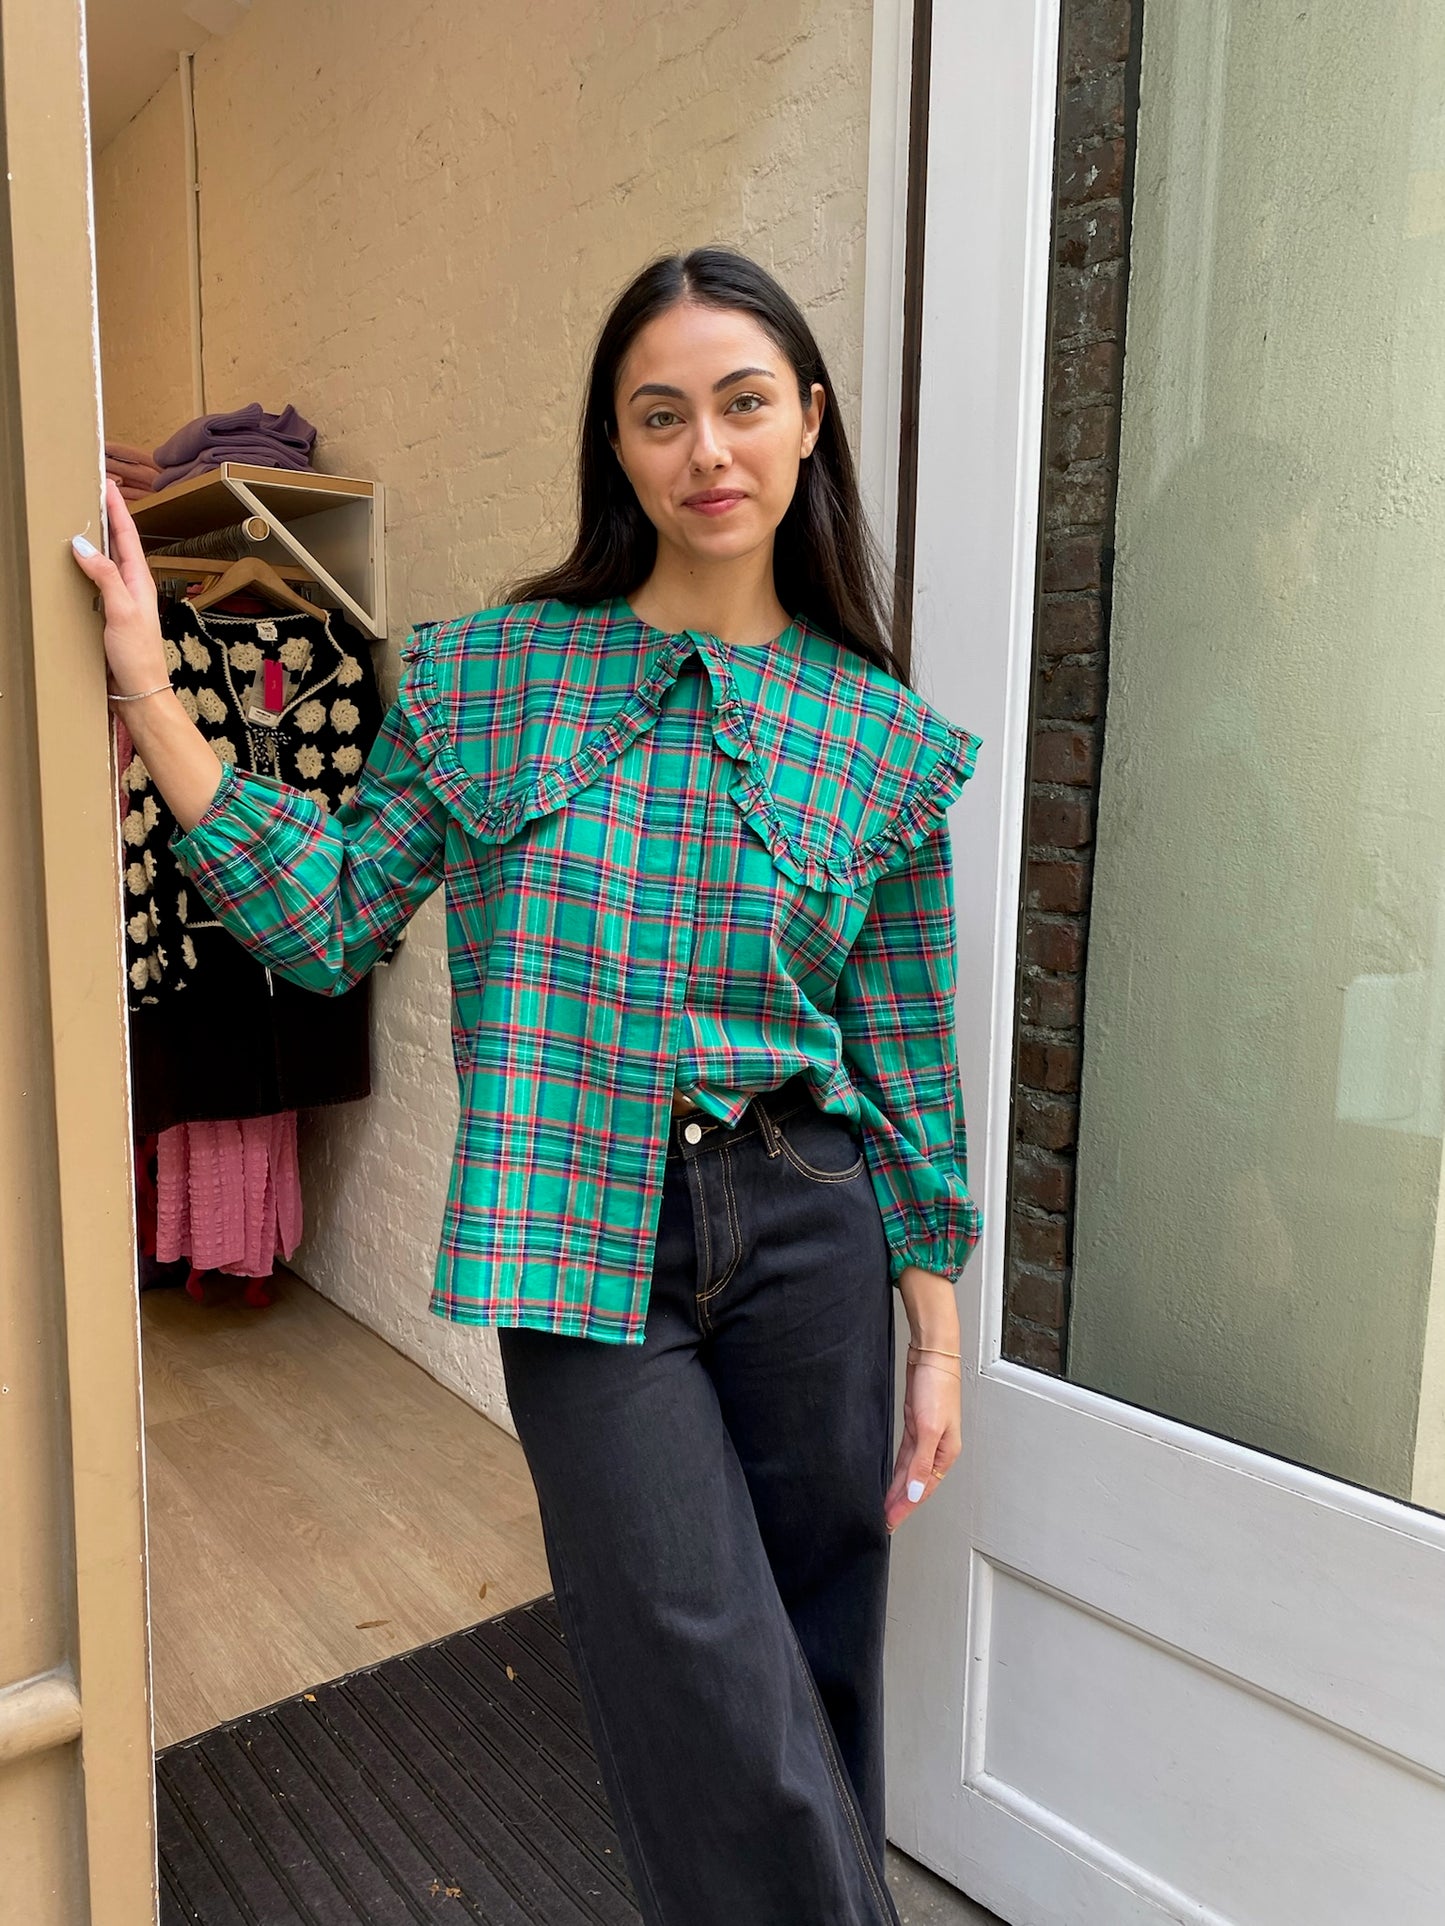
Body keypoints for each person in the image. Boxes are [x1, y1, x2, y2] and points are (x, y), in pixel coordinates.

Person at [73, 246, 983, 1926]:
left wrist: (932, 1332)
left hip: (813, 1229)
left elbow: (908, 1059)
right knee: (698, 1666)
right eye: (661, 415)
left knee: (814, 1658)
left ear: (808, 425)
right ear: (617, 447)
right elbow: (333, 917)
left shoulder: (878, 732)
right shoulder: (495, 676)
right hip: (580, 1231)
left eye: (741, 403)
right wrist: (151, 678)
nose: (705, 449)